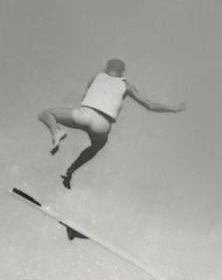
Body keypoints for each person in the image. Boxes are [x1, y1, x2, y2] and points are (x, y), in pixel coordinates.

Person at [38, 58, 186, 189]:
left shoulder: (96, 77)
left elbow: (85, 98)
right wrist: (174, 108)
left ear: (106, 68)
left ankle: (56, 131)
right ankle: (70, 171)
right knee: (97, 146)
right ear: (122, 72)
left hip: (83, 114)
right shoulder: (126, 85)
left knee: (46, 113)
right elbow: (150, 105)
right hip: (102, 125)